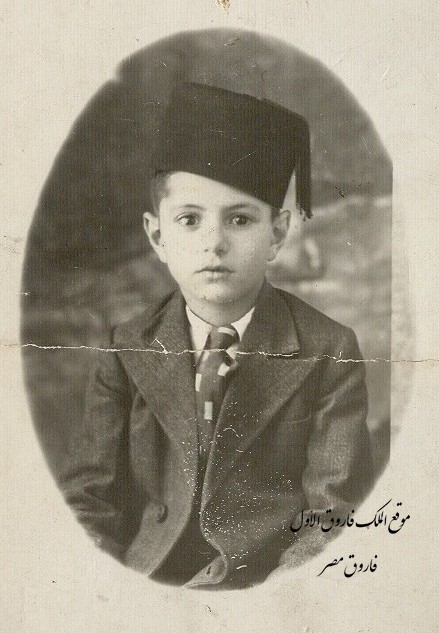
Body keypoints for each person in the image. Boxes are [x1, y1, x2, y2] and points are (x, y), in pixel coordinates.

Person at [61, 82, 373, 589]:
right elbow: (87, 501)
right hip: (146, 582)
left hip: (267, 587)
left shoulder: (328, 350)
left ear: (277, 233)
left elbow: (333, 517)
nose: (214, 242)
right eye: (189, 220)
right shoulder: (126, 347)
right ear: (157, 236)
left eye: (240, 219)